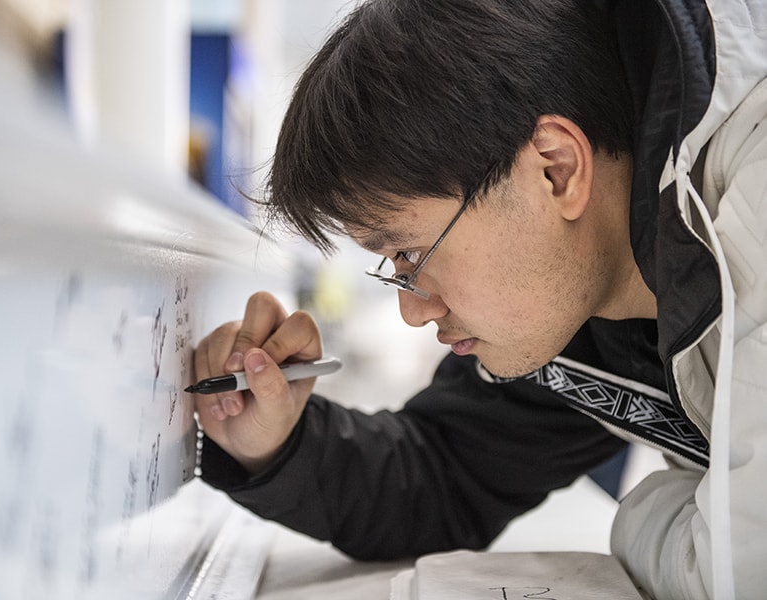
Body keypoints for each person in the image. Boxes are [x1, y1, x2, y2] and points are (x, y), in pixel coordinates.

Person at [190, 0, 767, 598]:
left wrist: (644, 509)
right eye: (394, 268)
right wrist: (279, 441)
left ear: (555, 169)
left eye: (411, 252)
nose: (414, 309)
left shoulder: (755, 189)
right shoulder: (579, 291)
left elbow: (738, 580)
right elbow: (445, 473)